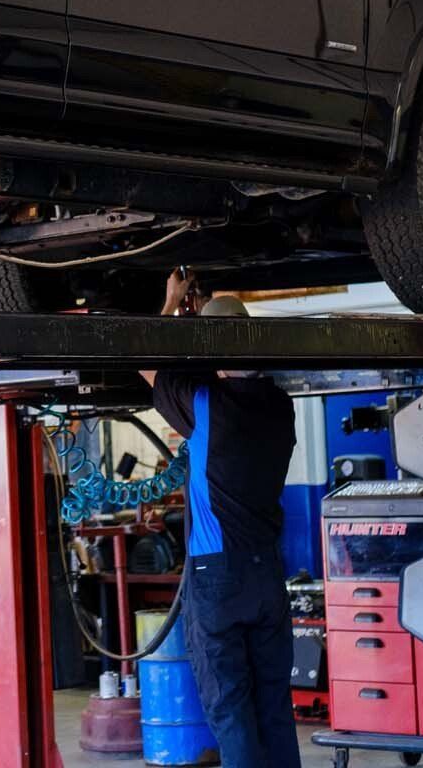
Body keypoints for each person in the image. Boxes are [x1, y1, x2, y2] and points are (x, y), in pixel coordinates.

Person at [140, 270, 301, 768]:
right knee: (273, 702)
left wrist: (170, 306)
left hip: (218, 578)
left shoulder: (205, 405)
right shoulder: (281, 407)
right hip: (267, 575)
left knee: (230, 707)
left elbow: (144, 360)